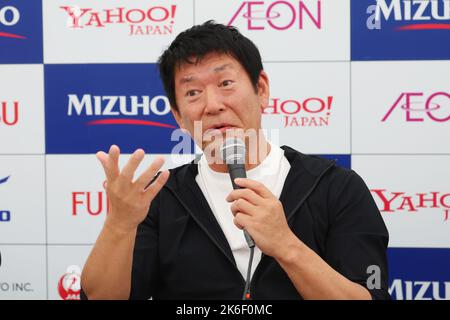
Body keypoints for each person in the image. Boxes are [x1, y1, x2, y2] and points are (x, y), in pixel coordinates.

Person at [80, 21, 390, 300]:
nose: (212, 105)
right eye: (192, 93)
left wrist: (286, 246)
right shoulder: (160, 196)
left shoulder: (334, 187)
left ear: (261, 90)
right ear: (178, 116)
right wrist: (119, 224)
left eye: (226, 84)